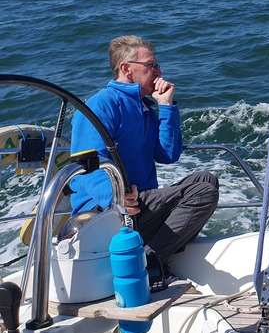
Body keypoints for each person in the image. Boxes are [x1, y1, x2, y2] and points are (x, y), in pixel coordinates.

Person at [70, 35, 219, 290]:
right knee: (203, 191)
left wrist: (166, 107)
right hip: (105, 213)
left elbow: (168, 155)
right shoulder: (102, 104)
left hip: (139, 205)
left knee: (206, 180)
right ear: (126, 69)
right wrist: (116, 197)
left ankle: (152, 254)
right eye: (151, 65)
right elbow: (87, 165)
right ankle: (149, 263)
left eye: (157, 65)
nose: (159, 72)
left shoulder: (145, 108)